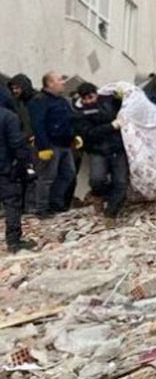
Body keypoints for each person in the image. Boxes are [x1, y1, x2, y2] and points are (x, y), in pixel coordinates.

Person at [72, 83, 128, 225]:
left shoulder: (109, 101)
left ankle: (110, 214)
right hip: (97, 150)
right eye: (85, 99)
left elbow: (129, 105)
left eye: (91, 97)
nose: (89, 101)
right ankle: (100, 196)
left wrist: (122, 97)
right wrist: (111, 126)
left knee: (121, 182)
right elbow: (89, 133)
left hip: (117, 149)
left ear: (96, 94)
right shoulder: (79, 112)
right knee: (96, 180)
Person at [27, 72, 77, 217]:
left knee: (68, 174)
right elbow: (38, 125)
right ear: (49, 83)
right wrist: (43, 147)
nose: (63, 82)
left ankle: (55, 203)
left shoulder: (62, 101)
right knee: (46, 177)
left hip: (65, 144)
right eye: (59, 80)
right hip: (50, 145)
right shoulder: (39, 101)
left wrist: (74, 135)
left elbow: (69, 120)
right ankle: (42, 208)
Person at [0, 86, 33, 252]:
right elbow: (17, 144)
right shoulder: (9, 117)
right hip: (5, 169)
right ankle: (14, 242)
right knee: (12, 203)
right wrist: (25, 164)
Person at [7, 74, 35, 142]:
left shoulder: (38, 100)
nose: (14, 91)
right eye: (12, 88)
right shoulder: (16, 103)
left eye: (17, 88)